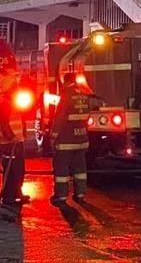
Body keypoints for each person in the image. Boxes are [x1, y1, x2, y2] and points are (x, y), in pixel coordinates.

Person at [51, 72, 92, 204]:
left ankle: (61, 196)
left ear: (65, 81)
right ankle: (80, 194)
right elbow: (87, 115)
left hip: (66, 140)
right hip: (81, 139)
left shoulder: (66, 94)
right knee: (80, 169)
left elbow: (59, 117)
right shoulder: (84, 94)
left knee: (61, 168)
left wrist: (53, 136)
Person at [0, 74, 31, 220]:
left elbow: (21, 118)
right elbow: (4, 124)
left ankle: (17, 192)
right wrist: (12, 137)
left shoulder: (13, 102)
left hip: (17, 141)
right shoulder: (5, 104)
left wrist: (22, 133)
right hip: (9, 143)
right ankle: (8, 196)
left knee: (20, 170)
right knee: (11, 171)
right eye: (14, 87)